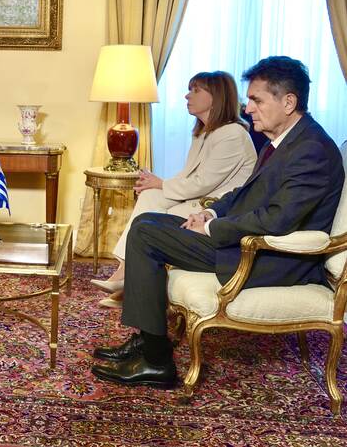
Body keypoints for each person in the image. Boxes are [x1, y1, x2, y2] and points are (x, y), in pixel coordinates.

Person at [91, 55, 344, 388]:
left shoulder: (311, 149)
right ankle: (148, 342)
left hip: (269, 258)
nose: (248, 107)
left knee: (146, 237)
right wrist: (210, 212)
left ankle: (155, 361)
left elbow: (278, 219)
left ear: (289, 102)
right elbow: (244, 195)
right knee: (147, 222)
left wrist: (212, 228)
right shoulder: (286, 142)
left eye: (256, 100)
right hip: (248, 243)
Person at [91, 71, 257, 308]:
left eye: (196, 90)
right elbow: (189, 176)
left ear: (216, 96)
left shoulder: (232, 134)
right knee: (151, 195)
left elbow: (203, 182)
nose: (187, 95)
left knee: (155, 214)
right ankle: (125, 273)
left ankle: (127, 281)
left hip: (216, 207)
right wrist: (155, 184)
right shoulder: (204, 132)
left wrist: (160, 183)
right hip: (199, 198)